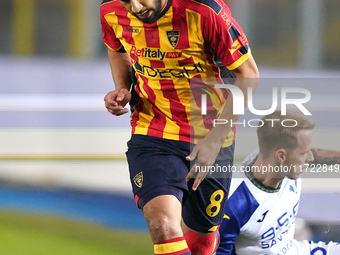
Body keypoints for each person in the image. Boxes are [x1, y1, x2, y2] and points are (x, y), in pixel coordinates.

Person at [100, 0, 259, 254]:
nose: (136, 7)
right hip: (152, 127)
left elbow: (248, 75)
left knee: (201, 244)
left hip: (210, 133)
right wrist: (123, 88)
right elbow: (116, 48)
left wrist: (216, 139)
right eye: (126, 0)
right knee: (163, 224)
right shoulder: (110, 11)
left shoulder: (206, 11)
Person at [217, 111, 340, 255]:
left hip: (295, 249)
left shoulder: (279, 160)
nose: (311, 158)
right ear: (281, 156)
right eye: (304, 153)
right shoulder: (235, 205)